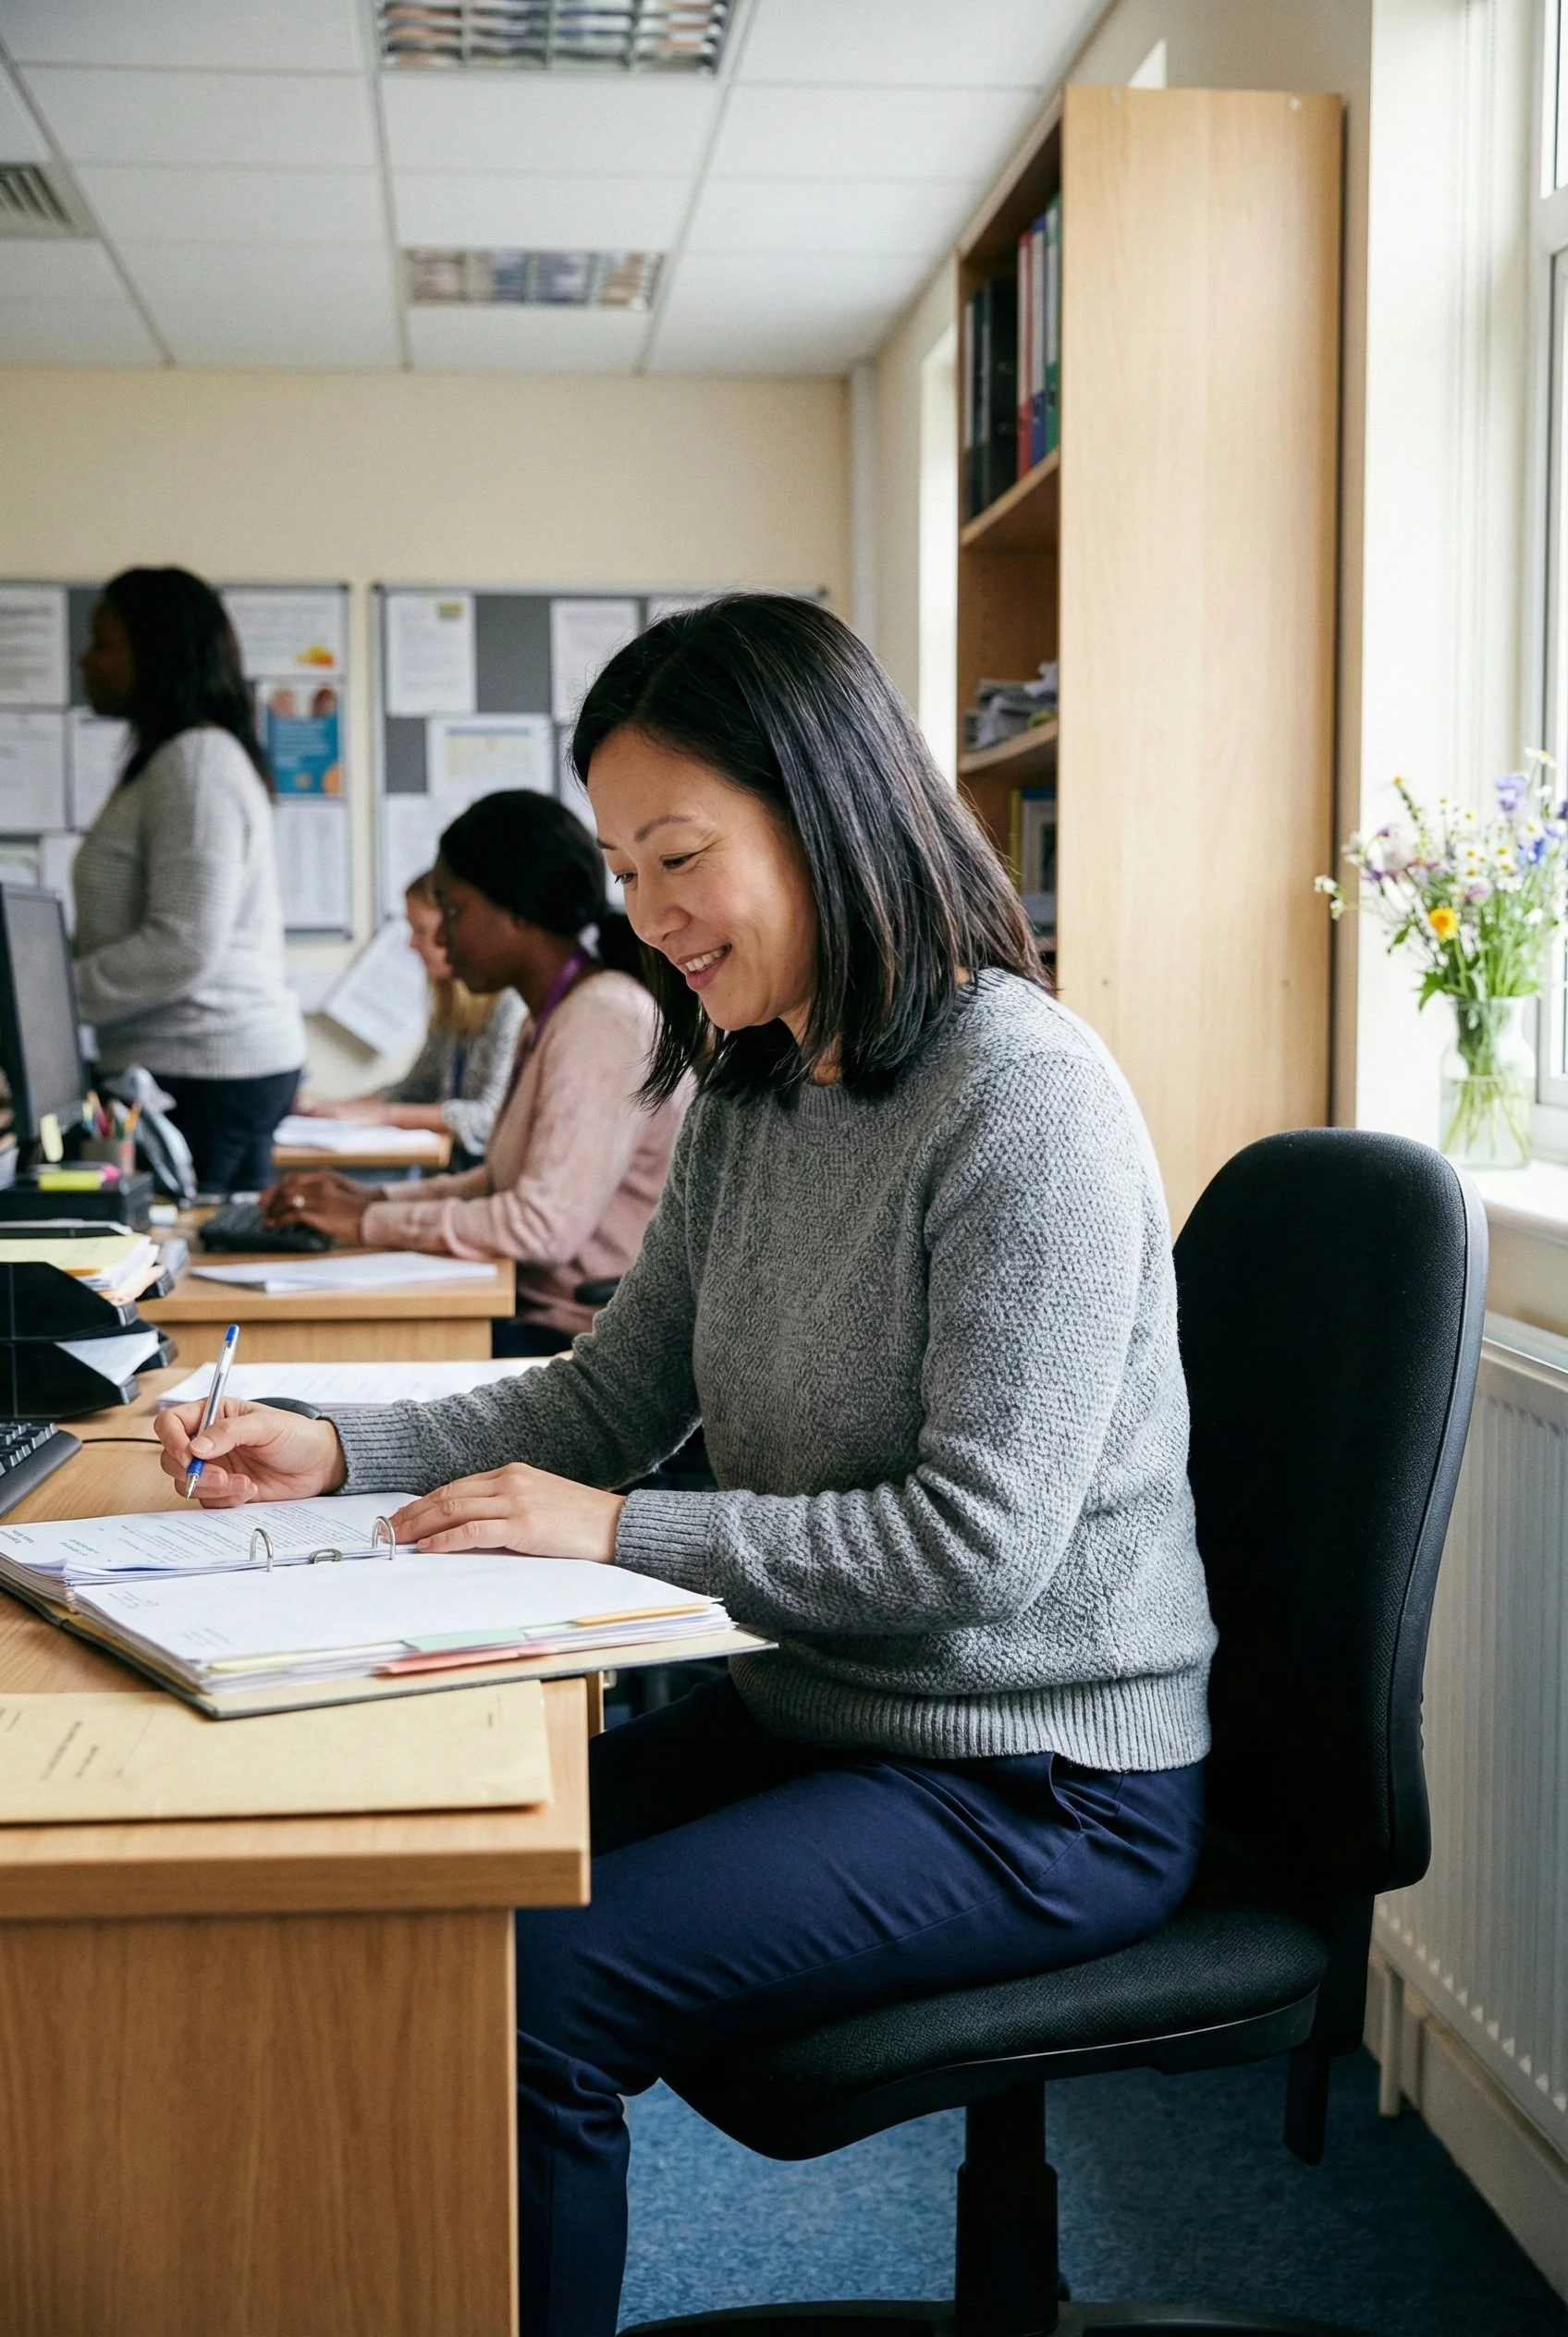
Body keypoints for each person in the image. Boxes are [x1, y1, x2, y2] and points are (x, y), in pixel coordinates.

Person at [155, 595, 1219, 2337]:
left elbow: (978, 1549)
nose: (642, 915)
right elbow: (601, 1399)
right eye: (617, 866)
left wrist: (625, 1534)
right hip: (834, 1709)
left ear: (822, 814)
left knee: (520, 1991)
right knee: (416, 1896)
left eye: (676, 859)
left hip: (1038, 1776)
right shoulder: (753, 1088)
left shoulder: (1024, 1097)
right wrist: (332, 1446)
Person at [264, 790, 687, 1352]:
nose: (440, 937)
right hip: (529, 1308)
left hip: (577, 1340)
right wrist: (372, 1202)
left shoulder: (601, 1019)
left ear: (517, 909)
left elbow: (540, 1226)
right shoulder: (555, 1014)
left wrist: (366, 1223)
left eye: (455, 911)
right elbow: (496, 1184)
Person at [73, 567, 305, 1193]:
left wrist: (51, 998)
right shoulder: (174, 761)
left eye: (104, 643)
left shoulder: (195, 764)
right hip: (195, 1069)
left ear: (157, 653)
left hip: (204, 1071)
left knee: (173, 1281)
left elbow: (182, 944)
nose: (84, 659)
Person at [300, 870, 524, 1170]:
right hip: (448, 1173)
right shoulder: (449, 1003)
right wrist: (333, 1109)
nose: (411, 944)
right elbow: (415, 1088)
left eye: (420, 930)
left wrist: (385, 1116)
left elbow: (489, 1115)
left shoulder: (511, 1004)